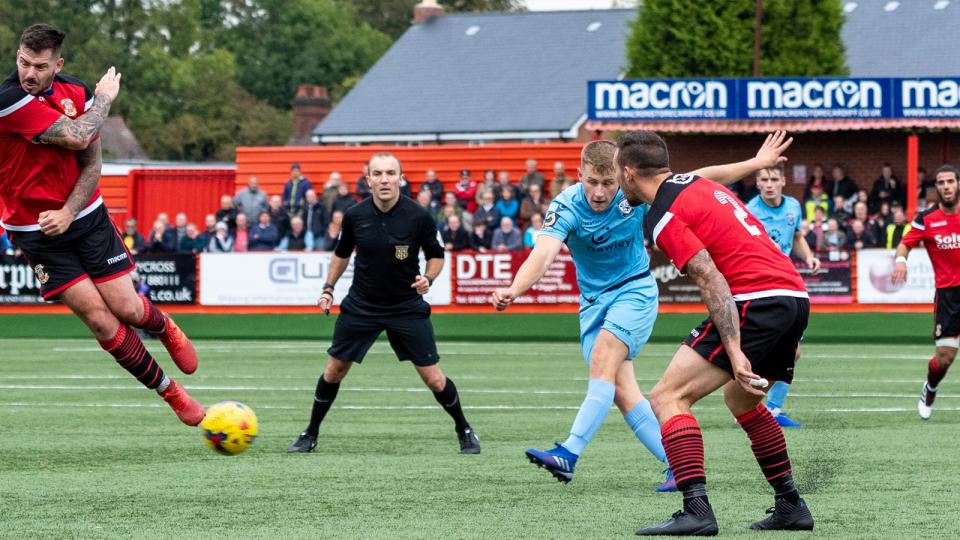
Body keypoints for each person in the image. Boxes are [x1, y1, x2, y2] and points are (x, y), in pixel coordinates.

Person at [492, 134, 792, 492]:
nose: (601, 192)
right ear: (579, 175)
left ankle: (569, 452)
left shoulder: (632, 193)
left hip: (634, 292)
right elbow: (543, 253)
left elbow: (701, 178)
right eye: (592, 182)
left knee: (604, 359)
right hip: (592, 303)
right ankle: (675, 464)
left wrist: (756, 164)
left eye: (608, 182)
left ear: (621, 176)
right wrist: (515, 288)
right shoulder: (566, 205)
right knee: (622, 391)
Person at [0, 23, 202, 425]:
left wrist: (69, 212)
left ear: (57, 64)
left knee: (127, 307)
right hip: (34, 232)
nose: (29, 74)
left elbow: (91, 164)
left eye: (39, 66)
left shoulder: (76, 93)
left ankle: (164, 326)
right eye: (24, 63)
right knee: (99, 319)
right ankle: (171, 393)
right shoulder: (8, 100)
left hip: (86, 217)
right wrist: (105, 99)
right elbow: (77, 136)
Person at [615, 130, 813, 536]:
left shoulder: (662, 215)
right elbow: (713, 173)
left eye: (618, 173)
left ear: (629, 172)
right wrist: (756, 164)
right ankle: (791, 505)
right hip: (793, 295)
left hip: (756, 299)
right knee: (740, 398)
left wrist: (735, 347)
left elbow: (709, 275)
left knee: (668, 396)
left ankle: (696, 510)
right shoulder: (692, 183)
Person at [287, 152, 479, 455]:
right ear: (369, 180)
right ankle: (310, 433)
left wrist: (428, 278)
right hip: (362, 305)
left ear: (400, 178)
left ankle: (464, 429)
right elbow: (341, 254)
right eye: (378, 174)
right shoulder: (354, 215)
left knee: (433, 377)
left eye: (391, 173)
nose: (385, 179)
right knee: (334, 370)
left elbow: (437, 256)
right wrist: (328, 289)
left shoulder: (418, 216)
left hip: (406, 306)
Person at [746, 165, 822, 429]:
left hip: (787, 284)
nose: (769, 184)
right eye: (764, 180)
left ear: (783, 181)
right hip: (759, 286)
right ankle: (748, 408)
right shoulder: (750, 211)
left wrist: (809, 256)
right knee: (760, 353)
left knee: (793, 351)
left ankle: (771, 410)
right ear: (757, 183)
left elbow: (797, 237)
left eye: (774, 179)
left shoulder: (792, 206)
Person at [892, 165, 960, 420]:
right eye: (941, 182)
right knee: (944, 358)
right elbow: (904, 244)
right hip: (948, 296)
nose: (946, 186)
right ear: (937, 188)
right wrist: (901, 261)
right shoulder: (927, 219)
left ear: (958, 184)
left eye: (950, 181)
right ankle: (930, 387)